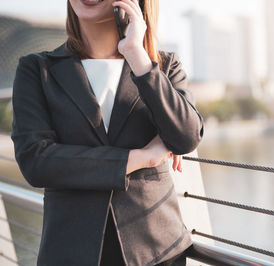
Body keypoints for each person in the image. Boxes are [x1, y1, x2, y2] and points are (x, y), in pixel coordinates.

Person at [11, 0, 204, 265]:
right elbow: (36, 161)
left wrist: (137, 55)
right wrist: (141, 158)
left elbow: (186, 138)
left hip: (156, 252)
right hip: (69, 252)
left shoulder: (164, 66)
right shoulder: (36, 69)